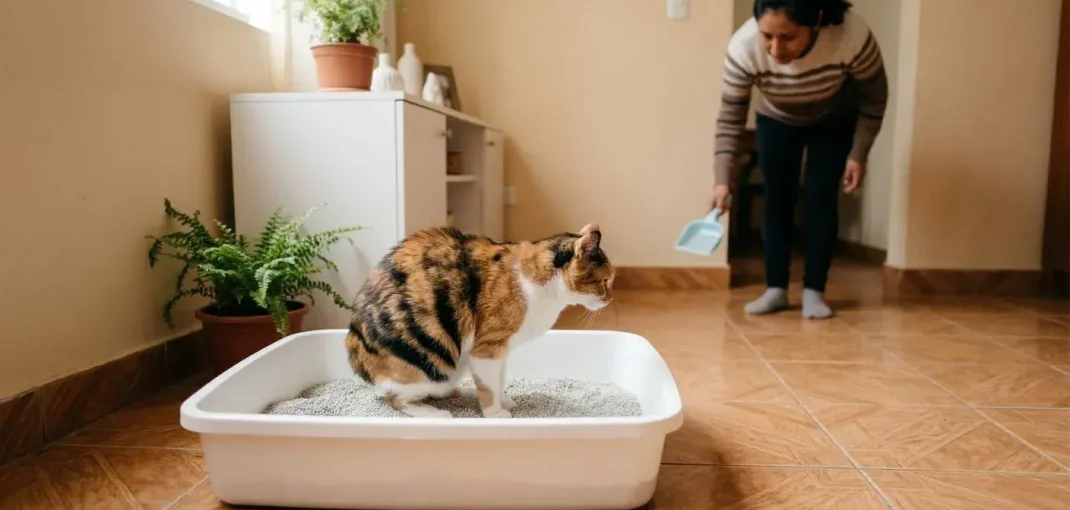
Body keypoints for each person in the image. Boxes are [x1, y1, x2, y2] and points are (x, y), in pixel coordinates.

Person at [711, 0, 888, 319]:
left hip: (834, 117)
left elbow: (874, 96)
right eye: (767, 36)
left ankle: (814, 292)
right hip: (776, 118)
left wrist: (858, 153)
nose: (775, 49)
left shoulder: (851, 34)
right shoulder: (743, 46)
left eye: (788, 37)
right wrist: (723, 180)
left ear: (817, 21)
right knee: (777, 198)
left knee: (820, 197)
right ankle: (775, 289)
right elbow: (730, 120)